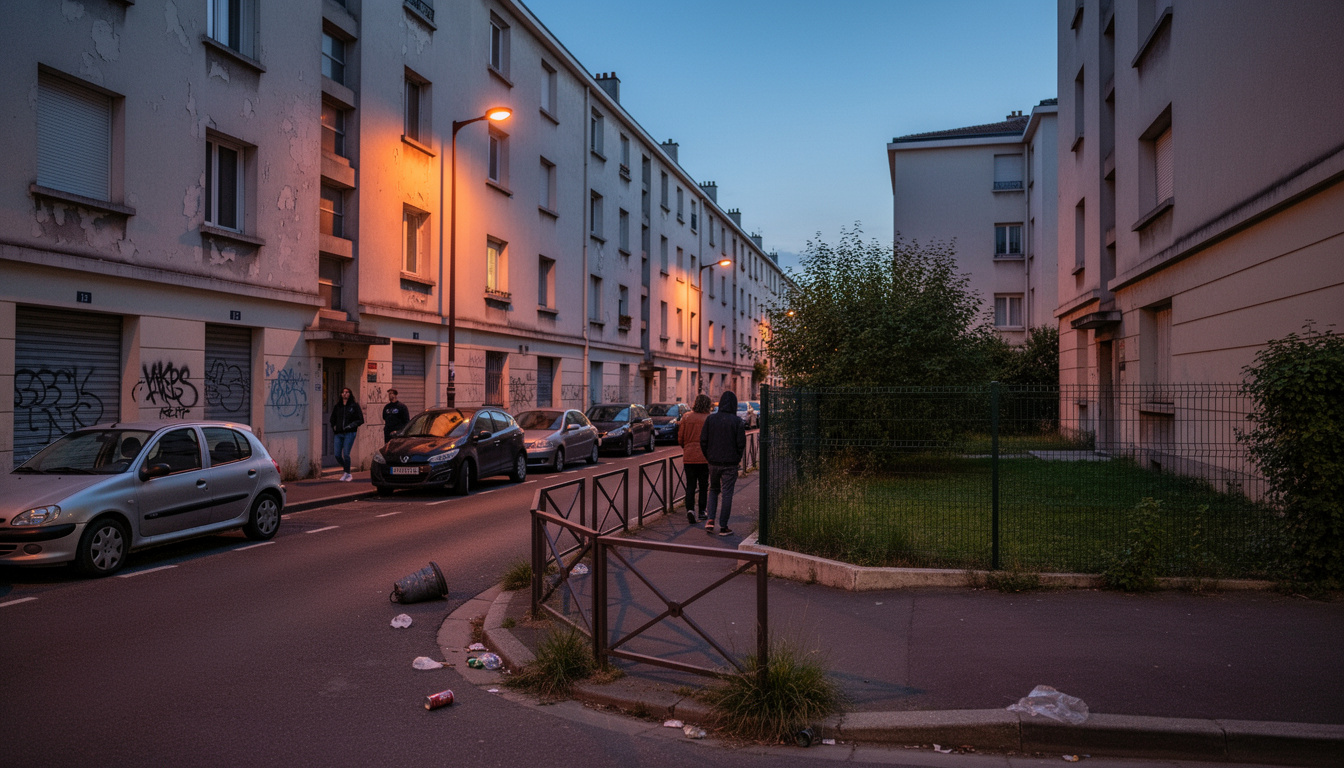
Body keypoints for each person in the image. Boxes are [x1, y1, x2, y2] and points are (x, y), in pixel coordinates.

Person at [700, 389, 746, 536]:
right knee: (727, 494)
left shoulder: (711, 419)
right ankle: (724, 526)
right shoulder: (737, 421)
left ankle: (710, 520)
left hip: (713, 462)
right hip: (730, 464)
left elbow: (703, 441)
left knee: (713, 490)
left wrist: (709, 456)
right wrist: (737, 458)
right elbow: (741, 444)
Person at [677, 394, 713, 524]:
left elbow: (680, 438)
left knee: (690, 485)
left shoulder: (686, 417)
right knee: (704, 485)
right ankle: (702, 511)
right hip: (704, 457)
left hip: (689, 456)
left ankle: (690, 509)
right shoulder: (709, 418)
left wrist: (686, 447)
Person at [329, 386, 364, 482]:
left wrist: (351, 425)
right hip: (339, 433)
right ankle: (347, 471)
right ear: (341, 394)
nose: (345, 393)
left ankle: (347, 474)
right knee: (337, 454)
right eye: (343, 392)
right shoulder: (338, 406)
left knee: (346, 454)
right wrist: (334, 426)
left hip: (350, 433)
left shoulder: (354, 406)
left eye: (347, 392)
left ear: (350, 394)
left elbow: (360, 420)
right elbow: (332, 419)